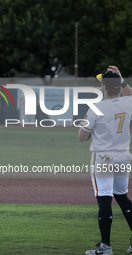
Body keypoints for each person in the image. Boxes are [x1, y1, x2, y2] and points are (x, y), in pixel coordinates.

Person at [79, 66, 132, 254]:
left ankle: (105, 247)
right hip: (123, 157)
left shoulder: (96, 108)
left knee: (104, 199)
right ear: (118, 87)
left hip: (103, 158)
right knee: (122, 197)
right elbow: (130, 93)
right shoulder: (128, 103)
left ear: (104, 86)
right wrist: (122, 79)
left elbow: (82, 137)